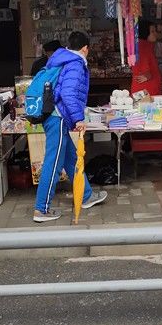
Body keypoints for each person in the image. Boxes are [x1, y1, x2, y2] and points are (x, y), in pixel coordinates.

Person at [33, 31, 107, 222]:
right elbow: (68, 93)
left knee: (71, 157)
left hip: (56, 116)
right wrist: (78, 119)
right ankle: (41, 209)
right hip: (57, 118)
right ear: (85, 48)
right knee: (53, 162)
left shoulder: (61, 59)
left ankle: (85, 195)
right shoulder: (75, 63)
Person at [130, 22, 162, 96]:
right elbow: (144, 71)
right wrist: (147, 76)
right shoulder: (143, 48)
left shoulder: (145, 46)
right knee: (145, 107)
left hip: (145, 90)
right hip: (146, 91)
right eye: (152, 31)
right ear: (145, 33)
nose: (155, 34)